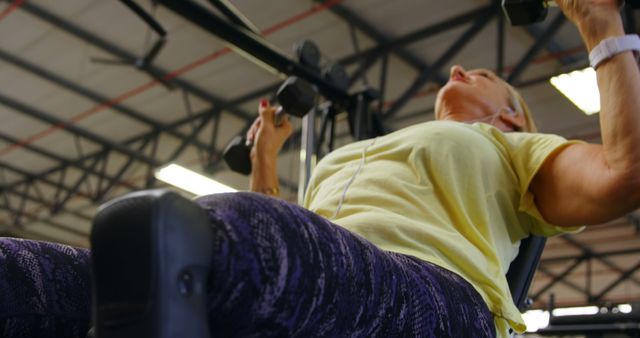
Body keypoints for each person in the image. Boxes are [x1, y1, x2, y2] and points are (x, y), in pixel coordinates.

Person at [0, 1, 637, 337]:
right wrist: (268, 156)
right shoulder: (366, 155)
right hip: (321, 268)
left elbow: (623, 172)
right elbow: (299, 225)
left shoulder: (516, 150)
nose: (454, 71)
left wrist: (601, 25)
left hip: (436, 299)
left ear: (513, 118)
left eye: (483, 75)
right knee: (67, 272)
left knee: (207, 242)